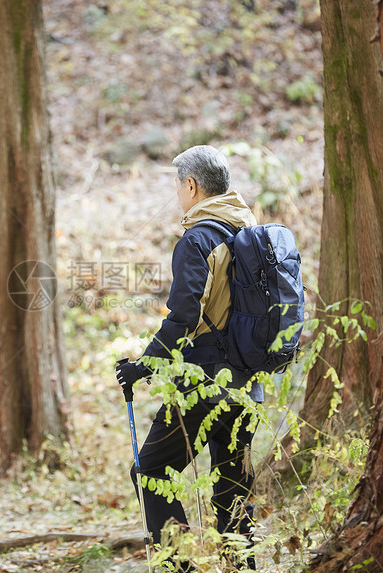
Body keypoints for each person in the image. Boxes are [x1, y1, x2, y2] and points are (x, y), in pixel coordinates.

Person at [115, 145, 262, 570]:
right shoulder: (247, 234)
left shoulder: (198, 239)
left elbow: (183, 316)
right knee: (233, 488)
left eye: (177, 184)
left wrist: (143, 364)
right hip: (248, 383)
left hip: (202, 384)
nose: (177, 192)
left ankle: (179, 567)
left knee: (150, 472)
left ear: (192, 185)